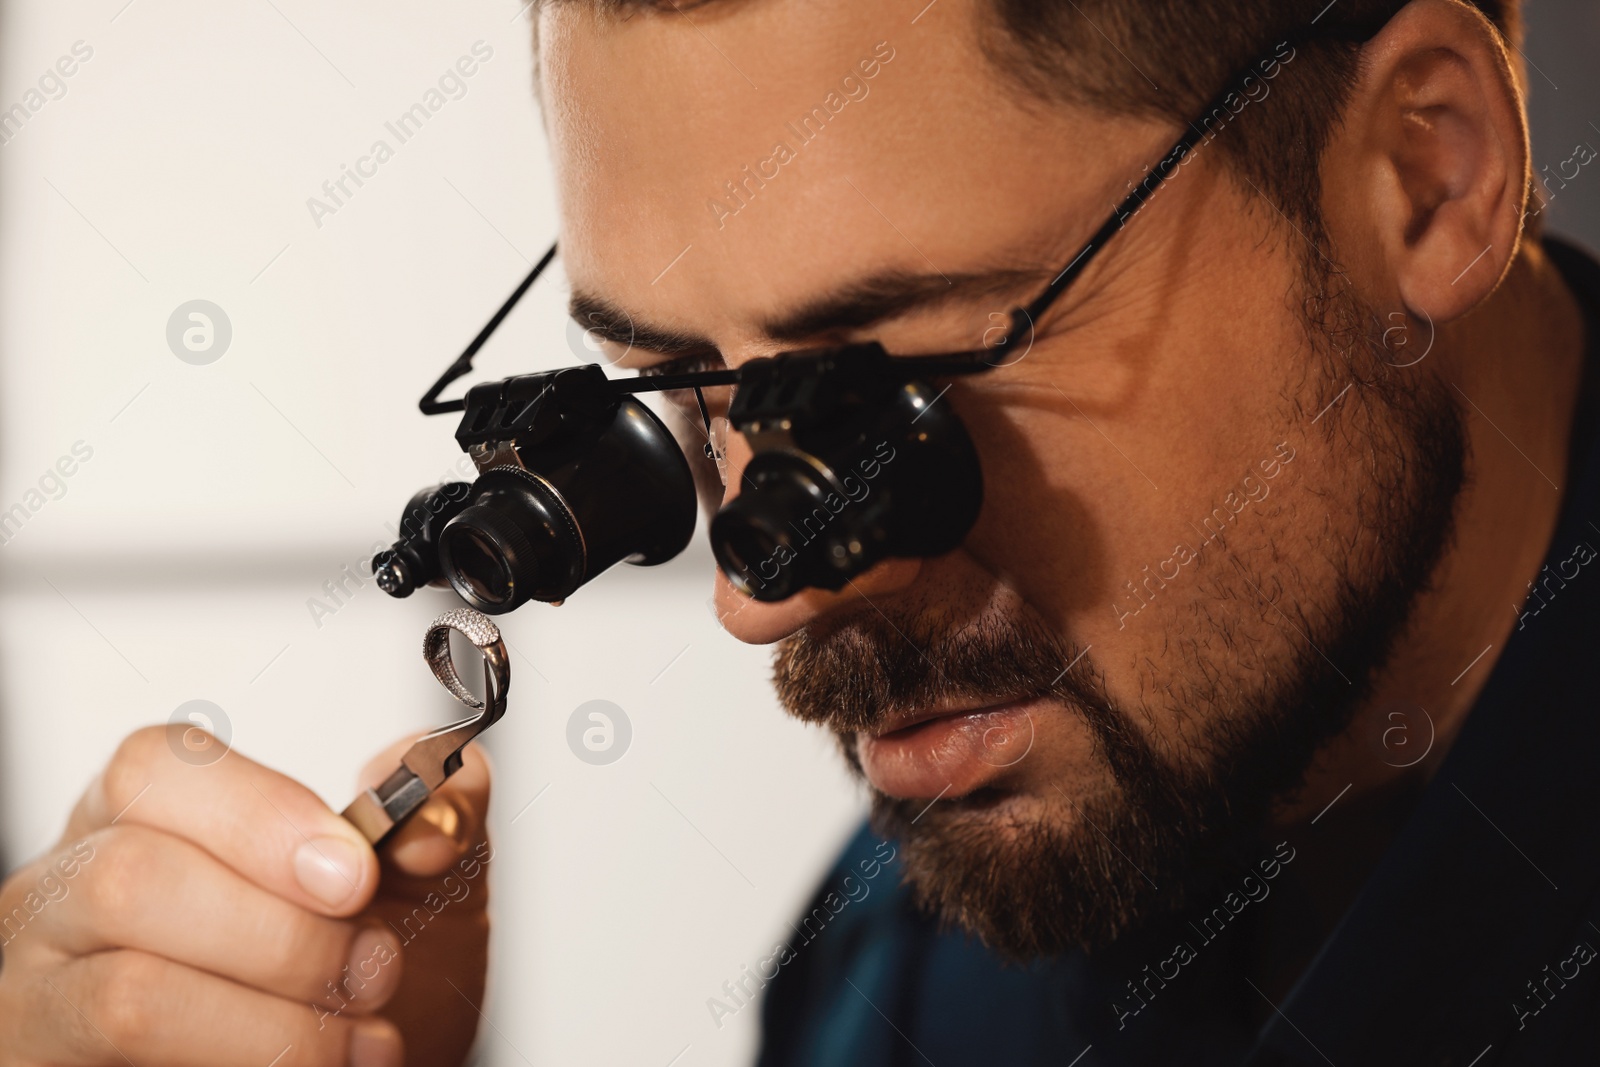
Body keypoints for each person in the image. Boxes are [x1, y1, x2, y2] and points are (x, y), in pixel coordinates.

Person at [3, 0, 1597, 1062]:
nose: (759, 605)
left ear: (1427, 176)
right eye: (675, 388)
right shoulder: (908, 977)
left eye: (900, 382)